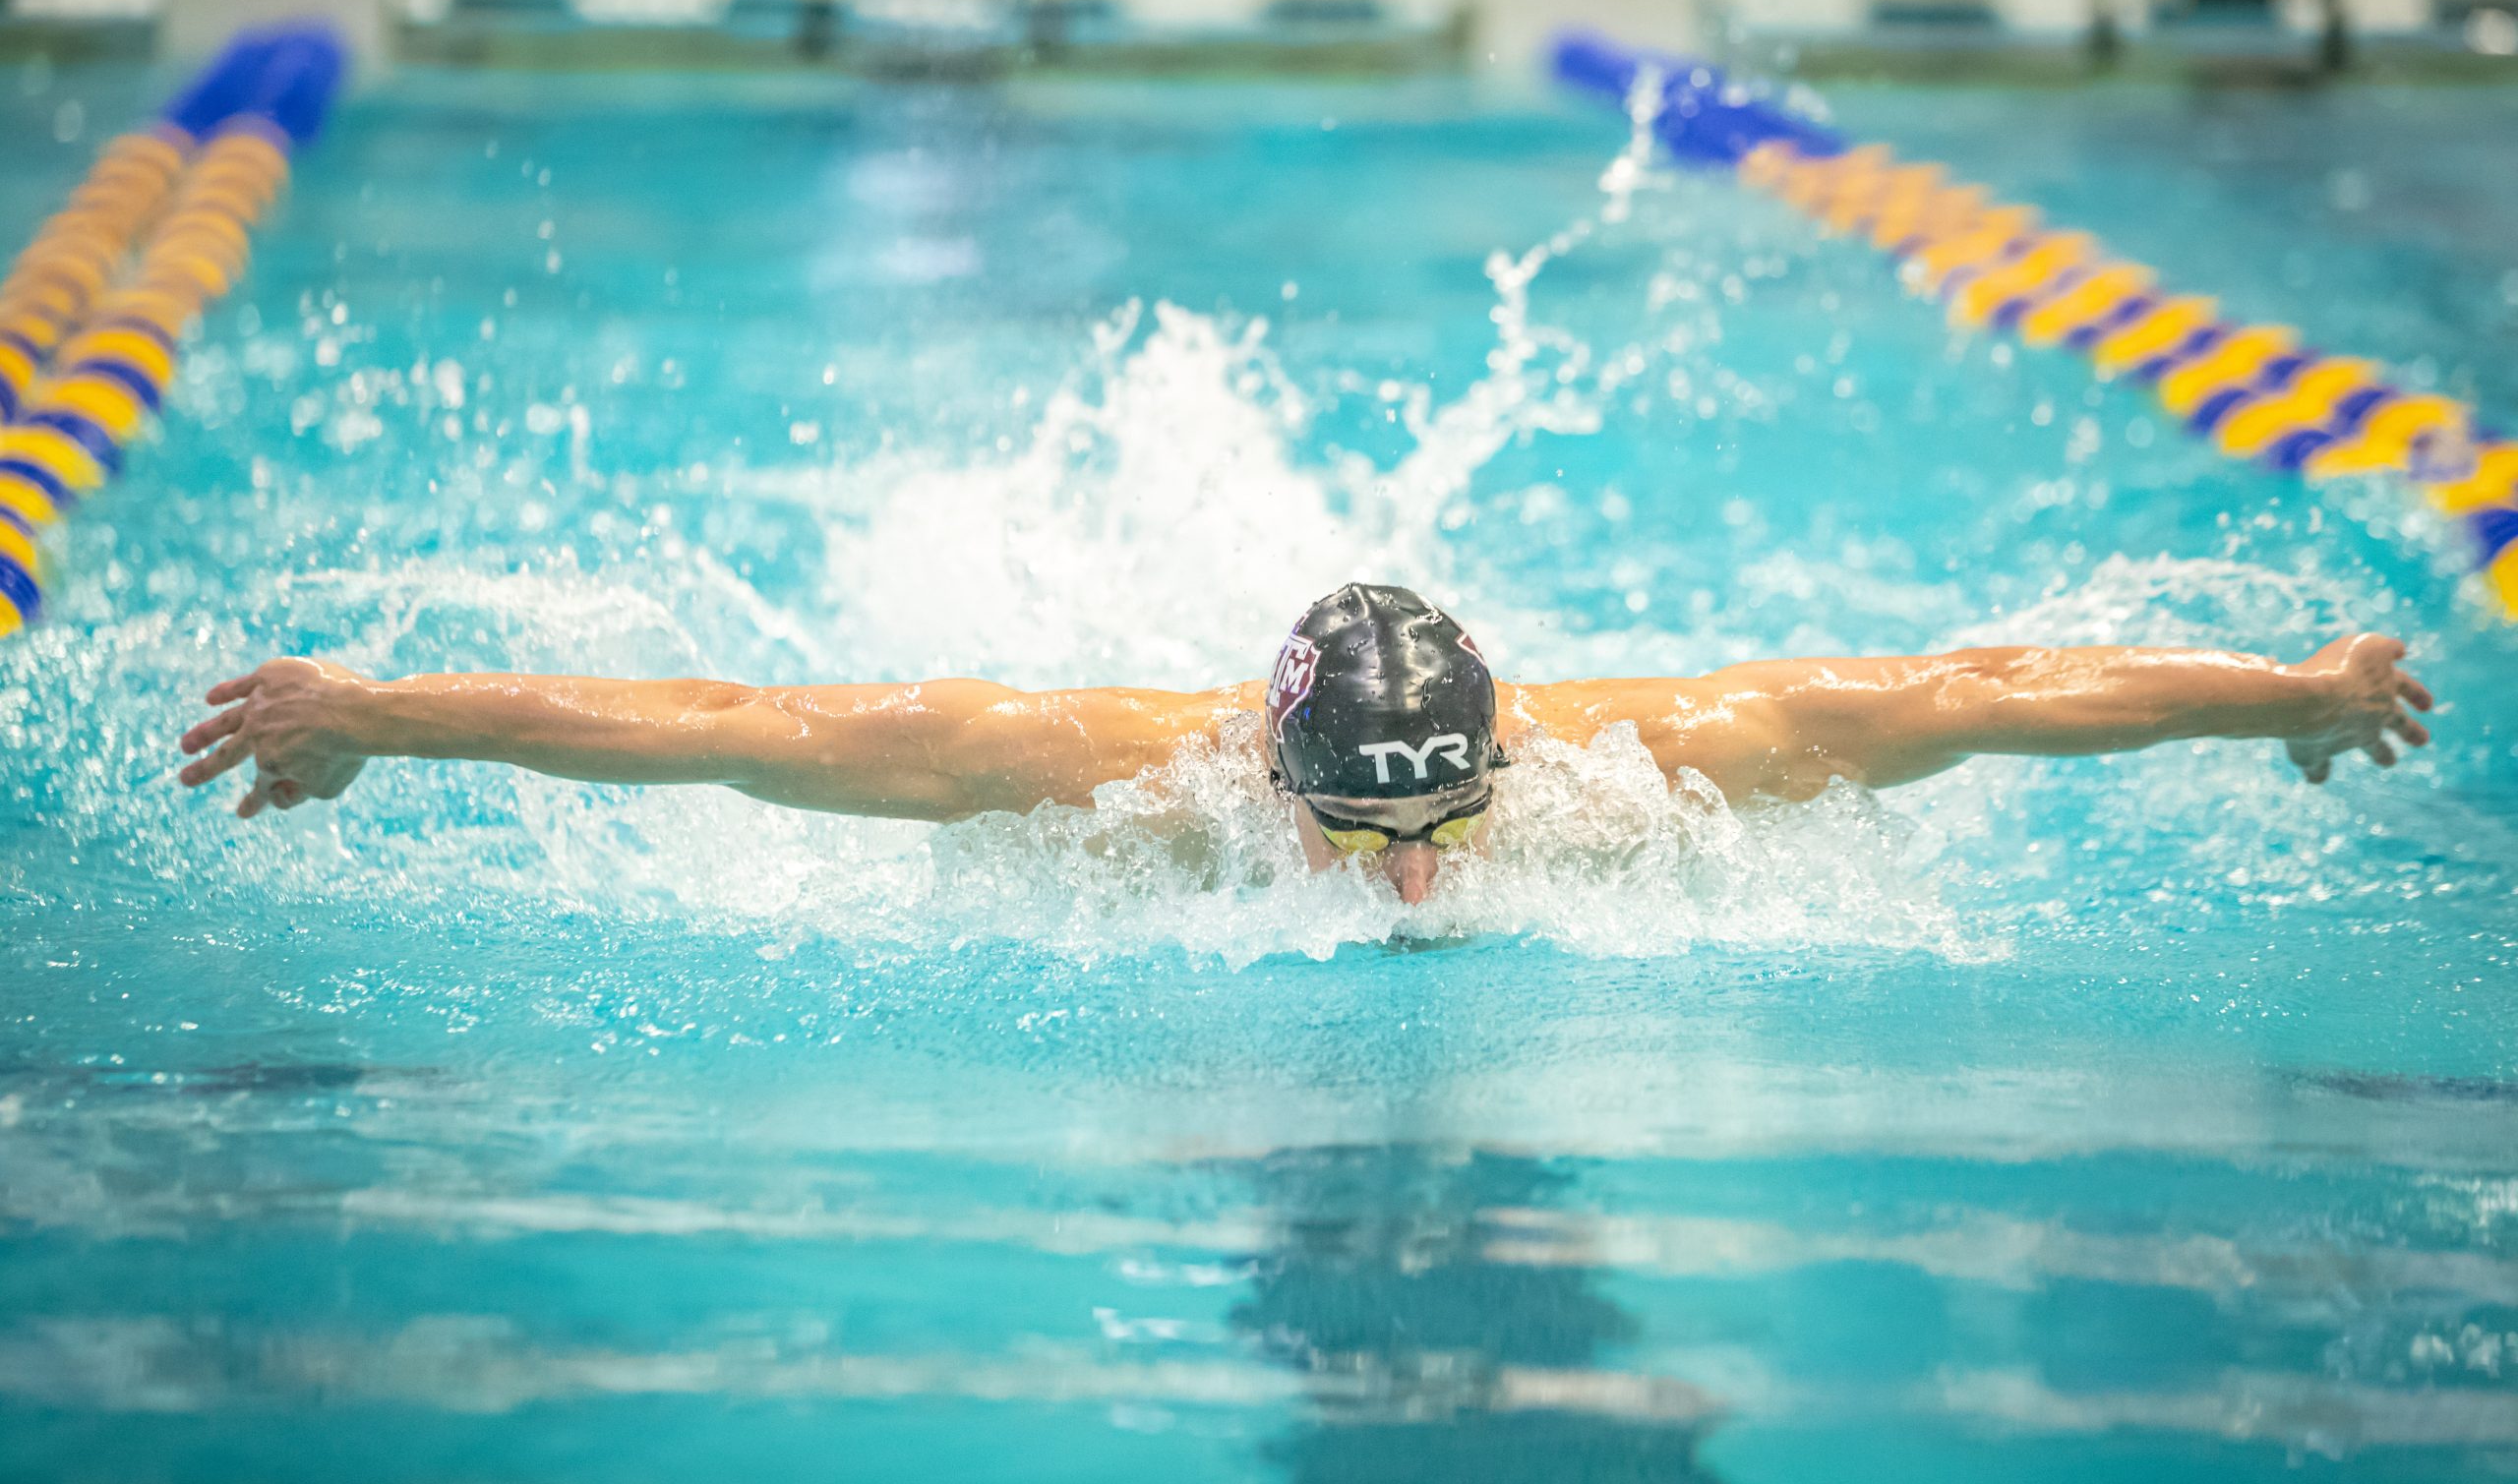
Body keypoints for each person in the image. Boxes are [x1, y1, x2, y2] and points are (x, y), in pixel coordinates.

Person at [178, 583, 2433, 905]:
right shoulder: (1095, 767)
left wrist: (2298, 692)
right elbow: (741, 727)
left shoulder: (1648, 759)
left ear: (1503, 751)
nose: (1422, 881)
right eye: (1366, 835)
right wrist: (386, 712)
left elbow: (1980, 698)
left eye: (1450, 821)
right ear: (1272, 780)